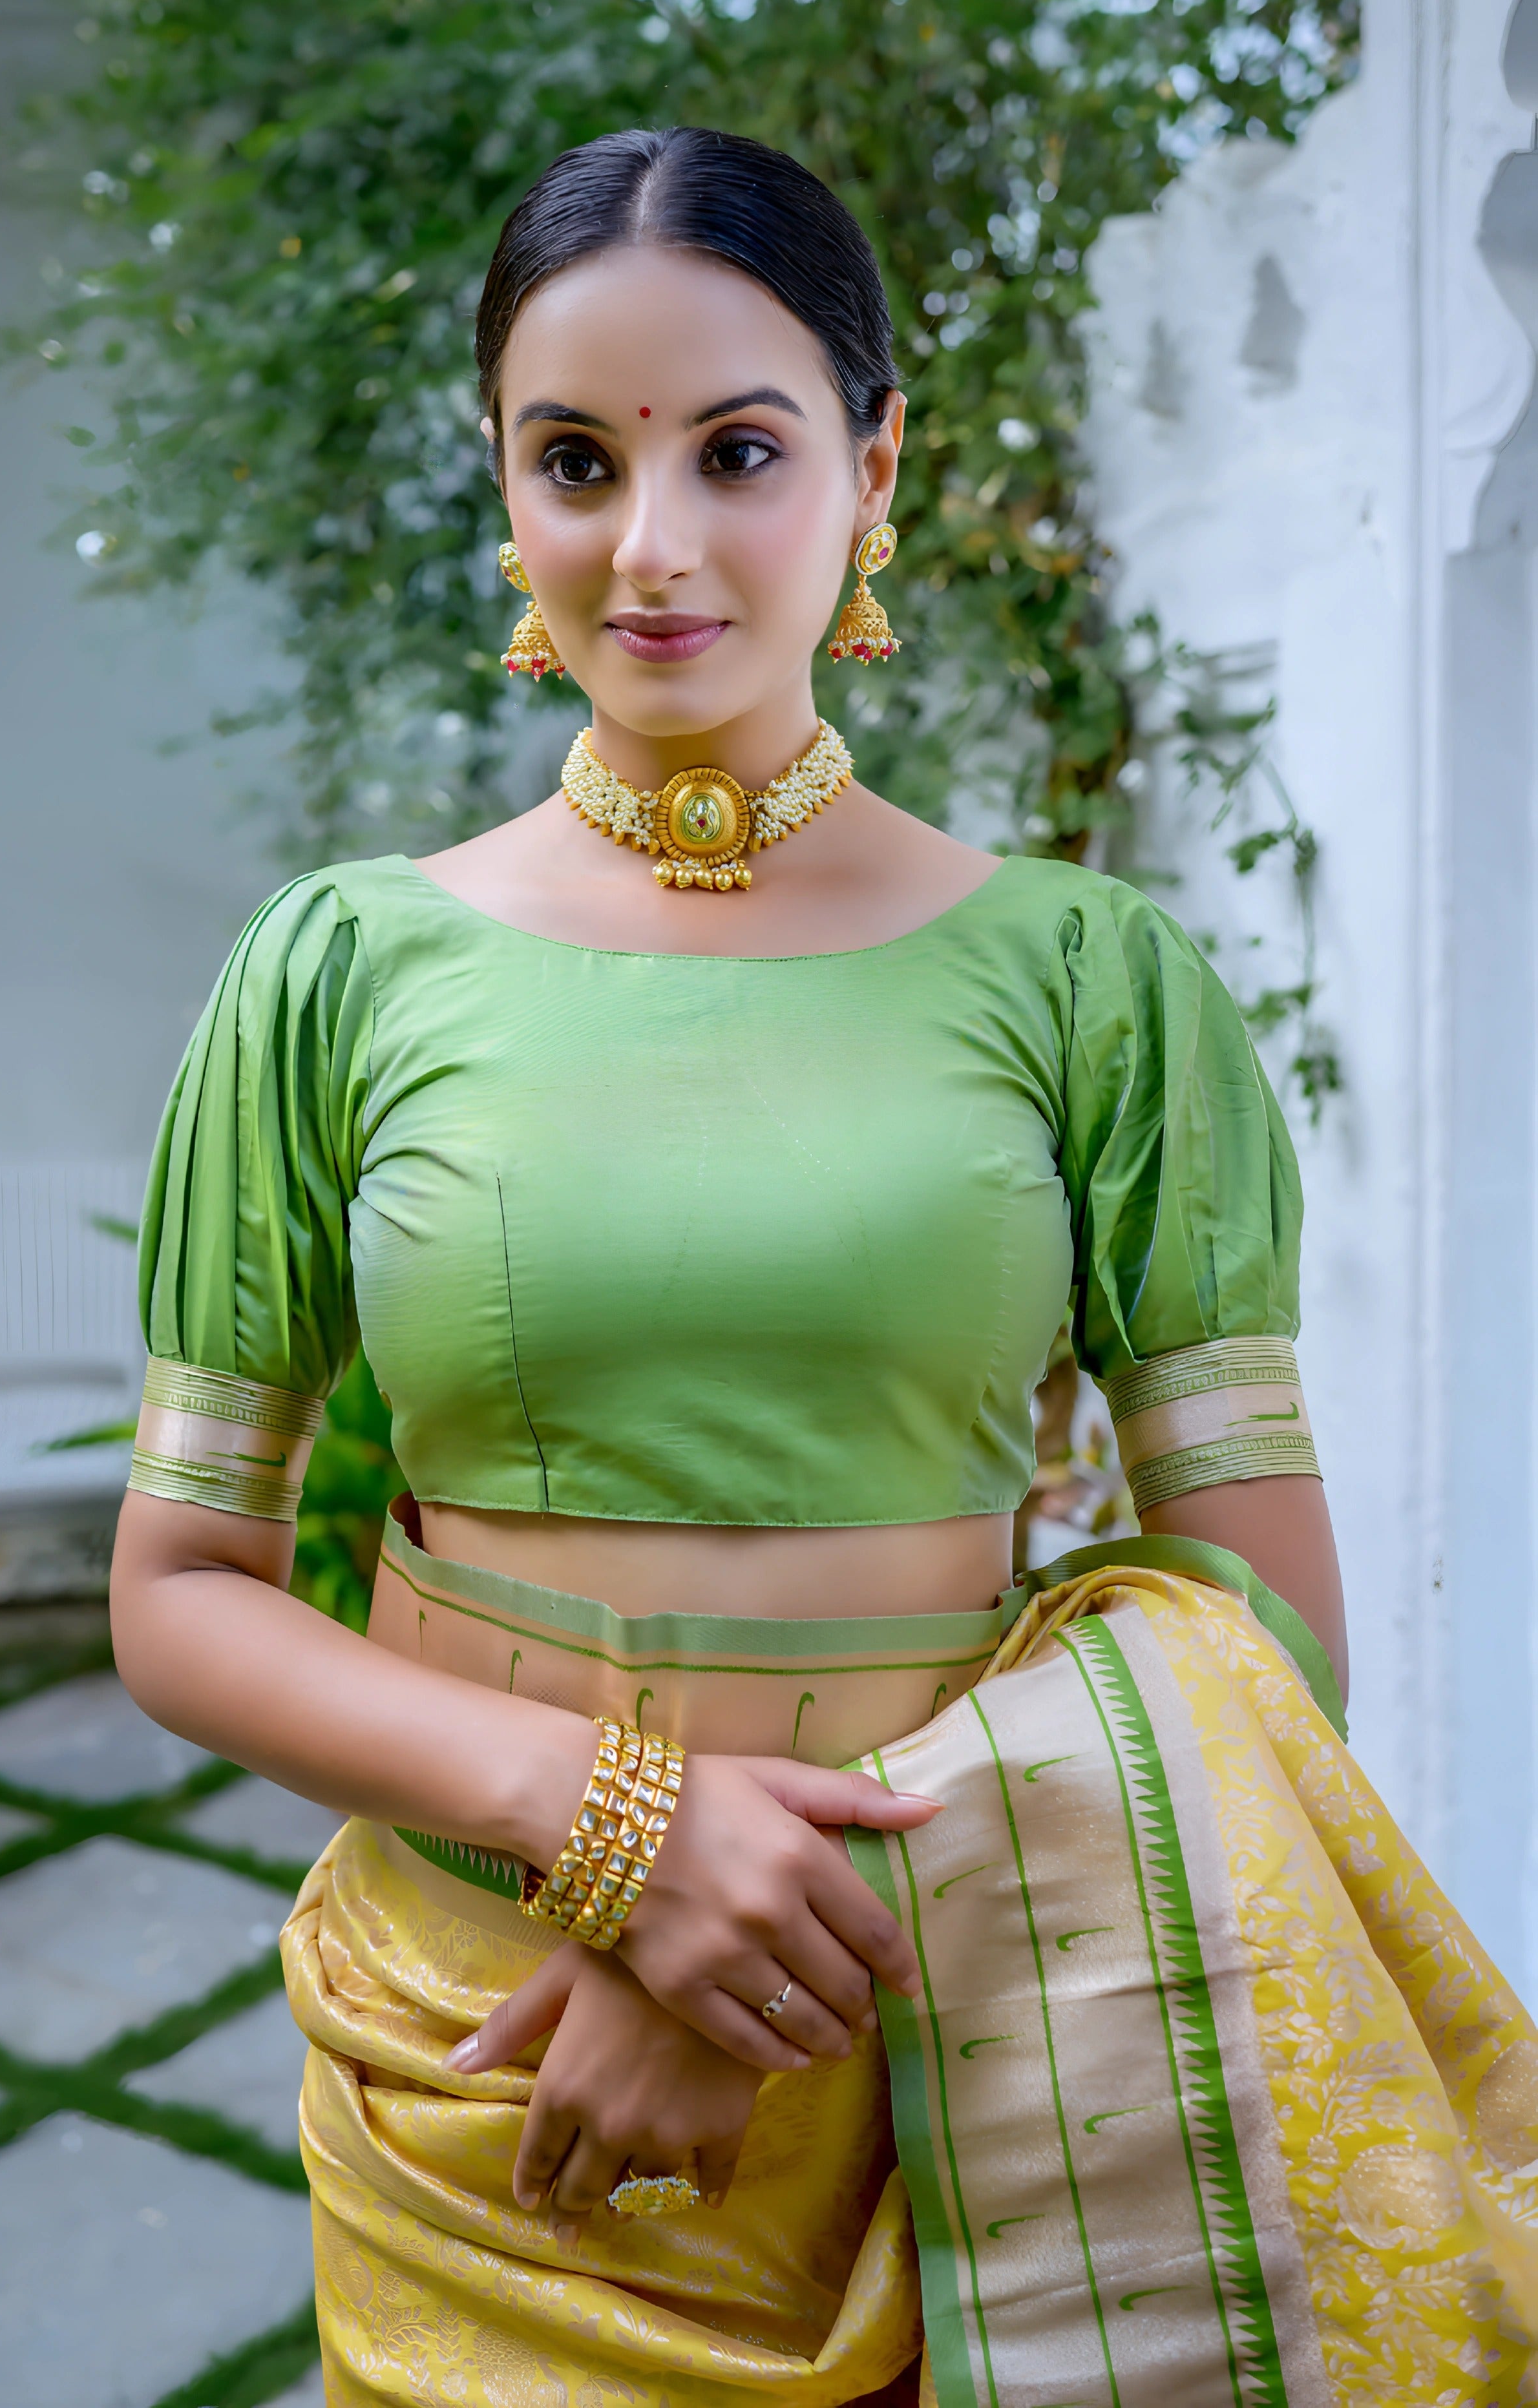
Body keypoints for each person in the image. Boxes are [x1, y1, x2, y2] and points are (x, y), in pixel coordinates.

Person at [111, 128, 1538, 2407]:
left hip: (945, 2058)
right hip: (478, 2074)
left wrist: (726, 1948)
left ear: (872, 469)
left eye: (739, 452)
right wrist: (611, 1848)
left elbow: (1262, 1619)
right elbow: (181, 1588)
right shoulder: (335, 974)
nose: (650, 546)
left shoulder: (1088, 982)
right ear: (501, 486)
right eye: (573, 458)